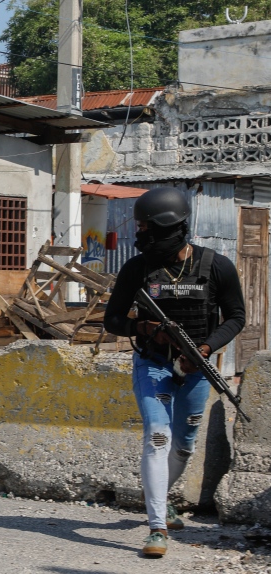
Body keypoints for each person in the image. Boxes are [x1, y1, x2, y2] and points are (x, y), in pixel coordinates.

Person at [103, 187, 245, 558]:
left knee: (183, 445)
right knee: (158, 437)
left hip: (196, 368)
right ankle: (157, 528)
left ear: (169, 228)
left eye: (146, 227)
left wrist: (204, 348)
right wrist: (146, 329)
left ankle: (161, 500)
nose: (141, 235)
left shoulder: (216, 266)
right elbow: (114, 319)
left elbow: (236, 317)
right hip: (153, 364)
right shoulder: (137, 269)